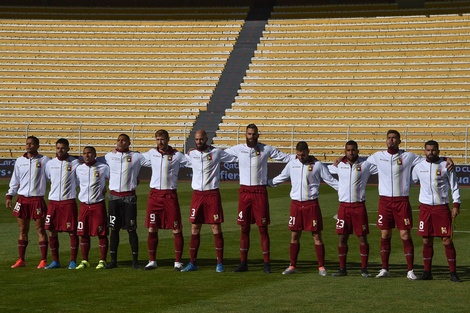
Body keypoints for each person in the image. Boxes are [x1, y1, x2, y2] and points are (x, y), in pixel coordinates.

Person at [366, 130, 453, 280]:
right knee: (385, 234)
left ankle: (410, 270)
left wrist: (446, 158)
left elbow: (431, 158)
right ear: (386, 140)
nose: (391, 140)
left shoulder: (409, 156)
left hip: (402, 202)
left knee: (405, 235)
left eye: (394, 138)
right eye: (389, 138)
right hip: (384, 202)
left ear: (400, 141)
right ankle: (384, 268)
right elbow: (358, 163)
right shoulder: (377, 156)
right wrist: (341, 159)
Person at [225, 123, 294, 273]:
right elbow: (218, 154)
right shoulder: (238, 149)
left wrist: (303, 155)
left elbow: (285, 157)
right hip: (244, 192)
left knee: (263, 229)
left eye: (254, 134)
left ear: (258, 135)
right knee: (244, 228)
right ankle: (243, 263)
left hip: (260, 192)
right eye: (249, 134)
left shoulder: (266, 149)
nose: (251, 136)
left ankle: (266, 264)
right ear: (245, 135)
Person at [269, 141, 338, 276]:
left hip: (311, 204)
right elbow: (282, 177)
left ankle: (321, 267)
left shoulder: (317, 165)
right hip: (295, 205)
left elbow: (330, 180)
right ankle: (292, 265)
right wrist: (267, 183)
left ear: (308, 152)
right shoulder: (292, 164)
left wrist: (345, 190)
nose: (301, 157)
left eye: (303, 155)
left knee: (316, 235)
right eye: (299, 155)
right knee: (294, 235)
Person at [181, 129, 237, 273]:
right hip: (197, 195)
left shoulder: (216, 152)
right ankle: (192, 262)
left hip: (212, 194)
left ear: (206, 138)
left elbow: (235, 156)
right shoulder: (191, 154)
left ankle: (220, 263)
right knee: (194, 228)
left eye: (201, 139)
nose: (199, 142)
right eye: (197, 139)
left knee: (216, 228)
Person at [411, 140, 461, 282]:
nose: (430, 152)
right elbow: (413, 181)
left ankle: (453, 272)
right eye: (428, 150)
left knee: (446, 240)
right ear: (424, 151)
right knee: (426, 240)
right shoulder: (418, 167)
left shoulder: (446, 166)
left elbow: (454, 186)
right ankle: (427, 272)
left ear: (438, 151)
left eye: (433, 150)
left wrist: (456, 204)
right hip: (425, 208)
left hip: (441, 208)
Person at [327, 140, 377, 278]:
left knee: (362, 237)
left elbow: (384, 167)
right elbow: (325, 172)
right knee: (342, 238)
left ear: (357, 151)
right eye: (348, 150)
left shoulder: (366, 165)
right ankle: (342, 268)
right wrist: (339, 188)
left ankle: (364, 269)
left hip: (359, 206)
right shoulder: (339, 165)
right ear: (345, 152)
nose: (351, 152)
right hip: (343, 207)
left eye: (353, 150)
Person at [142, 130, 189, 271]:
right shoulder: (151, 153)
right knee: (152, 228)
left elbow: (194, 162)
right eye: (157, 139)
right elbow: (134, 160)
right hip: (154, 196)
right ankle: (152, 261)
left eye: (162, 139)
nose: (160, 142)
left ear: (168, 139)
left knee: (176, 228)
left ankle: (178, 262)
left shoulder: (177, 155)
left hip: (170, 195)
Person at [101, 134, 148, 269]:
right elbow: (99, 168)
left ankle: (135, 261)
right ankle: (113, 260)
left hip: (129, 198)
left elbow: (154, 162)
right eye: (118, 140)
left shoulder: (137, 156)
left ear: (129, 142)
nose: (120, 142)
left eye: (123, 140)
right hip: (114, 198)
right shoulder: (109, 156)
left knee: (131, 229)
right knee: (114, 229)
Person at [6, 136, 51, 269]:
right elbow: (15, 180)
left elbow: (52, 176)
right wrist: (9, 195)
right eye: (27, 144)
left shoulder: (45, 160)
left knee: (40, 229)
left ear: (37, 146)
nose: (29, 146)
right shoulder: (20, 161)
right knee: (22, 229)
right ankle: (21, 259)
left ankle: (43, 260)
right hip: (22, 199)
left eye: (31, 144)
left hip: (37, 199)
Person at [44, 138, 81, 270]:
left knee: (72, 232)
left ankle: (72, 261)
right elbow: (49, 178)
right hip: (53, 202)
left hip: (68, 201)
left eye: (63, 148)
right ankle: (55, 261)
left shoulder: (75, 162)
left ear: (68, 148)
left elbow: (79, 179)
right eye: (58, 148)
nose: (60, 150)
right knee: (51, 231)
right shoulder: (49, 164)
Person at [75, 146, 110, 269]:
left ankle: (102, 260)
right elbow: (76, 183)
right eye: (84, 153)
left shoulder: (103, 167)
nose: (86, 155)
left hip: (98, 205)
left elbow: (114, 179)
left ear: (95, 154)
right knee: (83, 233)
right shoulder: (79, 169)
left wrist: (106, 188)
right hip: (84, 205)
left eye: (89, 153)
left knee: (102, 233)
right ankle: (84, 260)